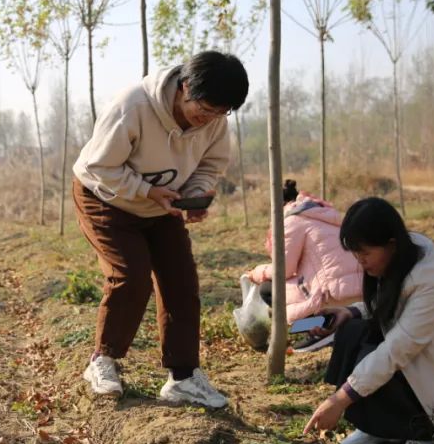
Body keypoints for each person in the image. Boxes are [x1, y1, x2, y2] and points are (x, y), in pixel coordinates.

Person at [72, 51, 249, 408]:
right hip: (105, 197)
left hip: (162, 203)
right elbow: (99, 166)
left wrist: (196, 194)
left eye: (220, 113)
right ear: (184, 87)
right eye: (204, 109)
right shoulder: (132, 107)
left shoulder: (213, 119)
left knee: (181, 282)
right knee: (131, 275)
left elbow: (211, 164)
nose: (209, 119)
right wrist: (146, 190)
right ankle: (102, 361)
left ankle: (183, 378)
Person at [302, 197, 434, 444]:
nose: (360, 259)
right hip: (430, 360)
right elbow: (390, 309)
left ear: (391, 244)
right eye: (355, 252)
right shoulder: (400, 260)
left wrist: (340, 400)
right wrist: (349, 312)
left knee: (383, 357)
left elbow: (401, 346)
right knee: (352, 332)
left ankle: (425, 429)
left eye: (366, 252)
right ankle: (380, 428)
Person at [241, 179, 363, 352]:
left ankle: (323, 327)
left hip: (332, 292)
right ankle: (332, 324)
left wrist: (257, 272)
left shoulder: (292, 221)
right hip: (357, 289)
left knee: (268, 289)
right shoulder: (321, 213)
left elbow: (284, 270)